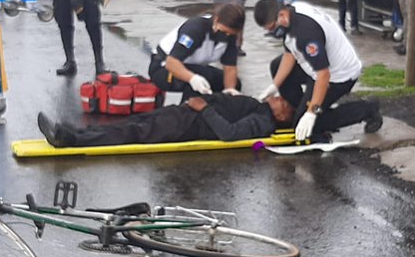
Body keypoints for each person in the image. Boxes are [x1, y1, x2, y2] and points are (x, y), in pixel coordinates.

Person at [36, 92, 380, 148]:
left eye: (281, 101)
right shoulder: (259, 106)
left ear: (282, 115)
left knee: (131, 133)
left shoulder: (262, 123)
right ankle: (72, 132)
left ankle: (70, 140)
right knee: (129, 124)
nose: (278, 98)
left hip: (190, 124)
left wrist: (203, 109)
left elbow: (229, 135)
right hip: (185, 114)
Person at [254, 0, 381, 141]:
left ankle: (367, 109)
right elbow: (290, 53)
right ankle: (303, 111)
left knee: (309, 126)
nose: (272, 32)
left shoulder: (306, 33)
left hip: (338, 76)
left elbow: (323, 75)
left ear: (282, 15)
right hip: (318, 66)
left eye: (271, 28)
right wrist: (275, 85)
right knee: (276, 66)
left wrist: (311, 113)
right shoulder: (292, 12)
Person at [148, 3, 245, 101]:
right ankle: (186, 113)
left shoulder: (230, 37)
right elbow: (171, 62)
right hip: (164, 68)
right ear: (216, 20)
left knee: (235, 83)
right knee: (203, 78)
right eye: (224, 31)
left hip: (194, 67)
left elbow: (230, 68)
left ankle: (215, 110)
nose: (226, 36)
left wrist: (229, 89)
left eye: (230, 34)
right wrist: (192, 78)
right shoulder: (195, 28)